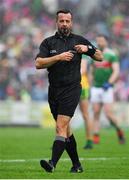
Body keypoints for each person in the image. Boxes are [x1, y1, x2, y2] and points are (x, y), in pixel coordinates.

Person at [35, 9, 103, 173]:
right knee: (66, 130)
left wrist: (88, 49)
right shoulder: (48, 42)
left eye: (67, 21)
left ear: (71, 22)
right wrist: (58, 57)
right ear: (56, 22)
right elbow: (38, 63)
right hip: (54, 91)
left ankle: (52, 163)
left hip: (72, 89)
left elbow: (100, 57)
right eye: (62, 21)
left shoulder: (79, 40)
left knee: (60, 127)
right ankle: (77, 165)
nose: (64, 24)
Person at [90, 34, 125, 144]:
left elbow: (116, 71)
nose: (99, 43)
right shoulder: (94, 55)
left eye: (101, 41)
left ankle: (119, 131)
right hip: (96, 87)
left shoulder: (111, 55)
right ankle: (96, 136)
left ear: (106, 42)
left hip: (107, 88)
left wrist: (109, 83)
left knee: (109, 114)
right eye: (98, 41)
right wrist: (91, 81)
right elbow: (91, 71)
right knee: (96, 113)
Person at [80, 56, 93, 149]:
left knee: (85, 114)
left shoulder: (83, 56)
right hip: (69, 86)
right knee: (63, 114)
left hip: (82, 87)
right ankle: (61, 140)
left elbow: (83, 70)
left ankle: (89, 140)